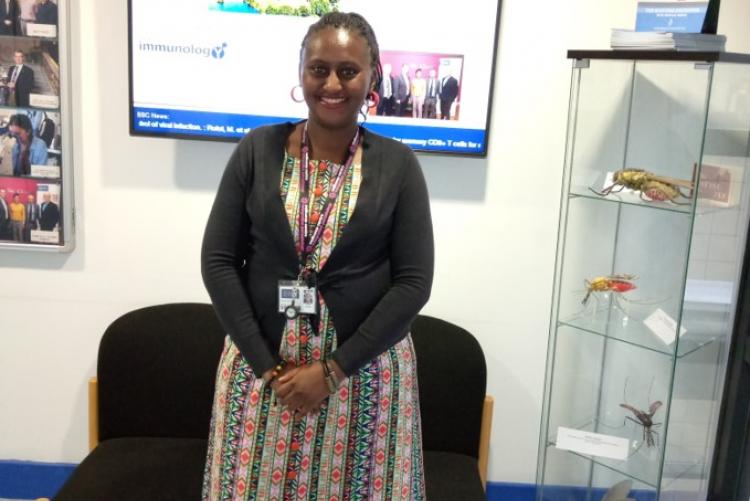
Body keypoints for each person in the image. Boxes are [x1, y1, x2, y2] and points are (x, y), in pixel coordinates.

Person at [201, 11, 433, 501]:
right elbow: (218, 261)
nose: (332, 83)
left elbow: (414, 283)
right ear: (301, 72)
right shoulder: (256, 150)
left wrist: (331, 372)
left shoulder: (399, 166)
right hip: (264, 376)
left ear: (372, 77)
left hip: (362, 379)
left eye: (348, 70)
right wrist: (270, 369)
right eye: (319, 68)